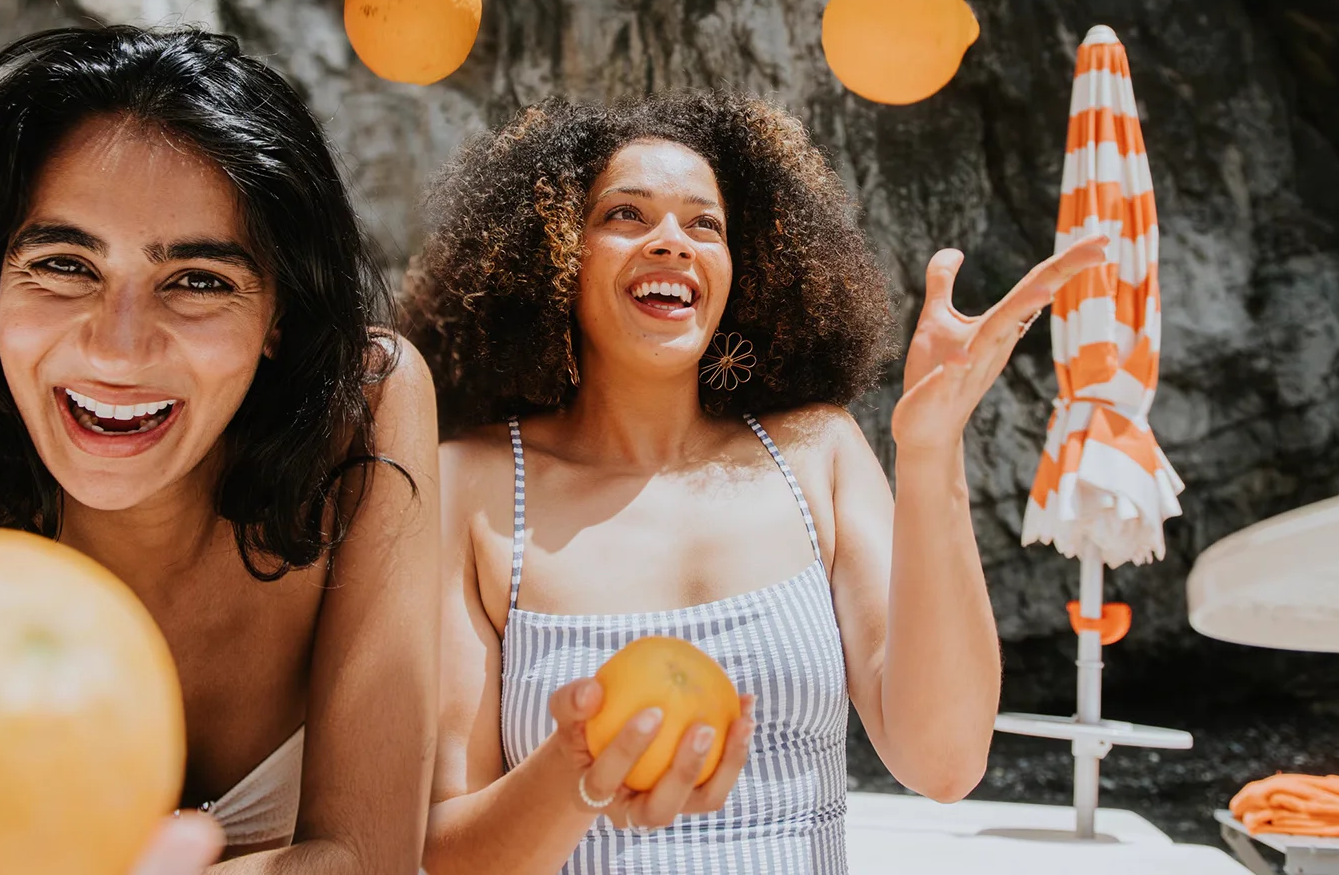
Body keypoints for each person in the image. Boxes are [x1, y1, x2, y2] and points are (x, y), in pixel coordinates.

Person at [0, 27, 440, 873]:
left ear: (279, 316)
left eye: (199, 280)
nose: (117, 348)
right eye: (64, 264)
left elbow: (370, 855)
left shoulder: (366, 405)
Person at [403, 91, 1106, 873]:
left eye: (706, 224)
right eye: (626, 215)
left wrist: (934, 450)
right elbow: (444, 852)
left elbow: (943, 762)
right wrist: (581, 769)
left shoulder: (819, 453)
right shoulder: (470, 486)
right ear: (556, 254)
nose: (673, 240)